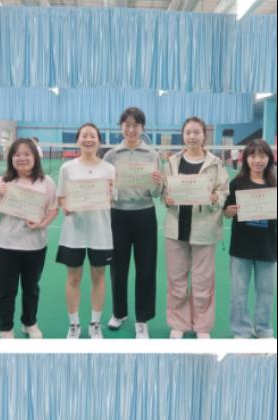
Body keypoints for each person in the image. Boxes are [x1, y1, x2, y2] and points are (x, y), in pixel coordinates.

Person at [0, 137, 59, 339]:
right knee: (6, 290)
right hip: (7, 245)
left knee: (31, 288)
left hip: (35, 246)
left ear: (35, 157)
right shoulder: (2, 182)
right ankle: (6, 328)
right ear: (11, 158)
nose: (22, 158)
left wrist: (42, 224)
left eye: (27, 154)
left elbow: (53, 209)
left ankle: (30, 323)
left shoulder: (47, 182)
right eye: (17, 154)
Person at [163, 117, 229, 339]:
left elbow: (223, 190)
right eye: (188, 132)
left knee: (203, 281)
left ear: (204, 135)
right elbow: (164, 190)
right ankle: (178, 324)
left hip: (204, 229)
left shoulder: (215, 163)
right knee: (176, 281)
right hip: (176, 229)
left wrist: (216, 197)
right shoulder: (171, 162)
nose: (192, 136)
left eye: (196, 132)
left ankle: (202, 326)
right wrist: (166, 199)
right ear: (183, 135)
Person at [103, 107, 163, 339]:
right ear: (121, 127)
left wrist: (157, 183)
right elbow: (105, 192)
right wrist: (108, 189)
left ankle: (142, 319)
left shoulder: (152, 155)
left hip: (145, 215)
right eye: (126, 125)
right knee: (118, 267)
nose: (130, 129)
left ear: (142, 128)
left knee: (146, 268)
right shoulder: (111, 155)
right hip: (118, 216)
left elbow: (156, 193)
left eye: (135, 125)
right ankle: (119, 312)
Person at [56, 122, 115, 339]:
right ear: (78, 140)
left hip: (100, 232)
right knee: (73, 278)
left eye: (92, 136)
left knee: (99, 277)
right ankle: (74, 325)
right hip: (74, 232)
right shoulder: (67, 168)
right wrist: (66, 206)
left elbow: (112, 200)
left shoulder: (109, 169)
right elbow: (62, 197)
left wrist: (109, 193)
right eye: (84, 135)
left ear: (99, 140)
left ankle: (95, 324)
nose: (88, 139)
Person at [223, 139, 277, 338]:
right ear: (246, 158)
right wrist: (228, 211)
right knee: (239, 293)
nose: (257, 160)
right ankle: (241, 330)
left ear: (269, 158)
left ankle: (263, 329)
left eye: (262, 155)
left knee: (266, 293)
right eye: (253, 155)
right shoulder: (236, 183)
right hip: (241, 248)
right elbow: (226, 212)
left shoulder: (275, 184)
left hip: (268, 248)